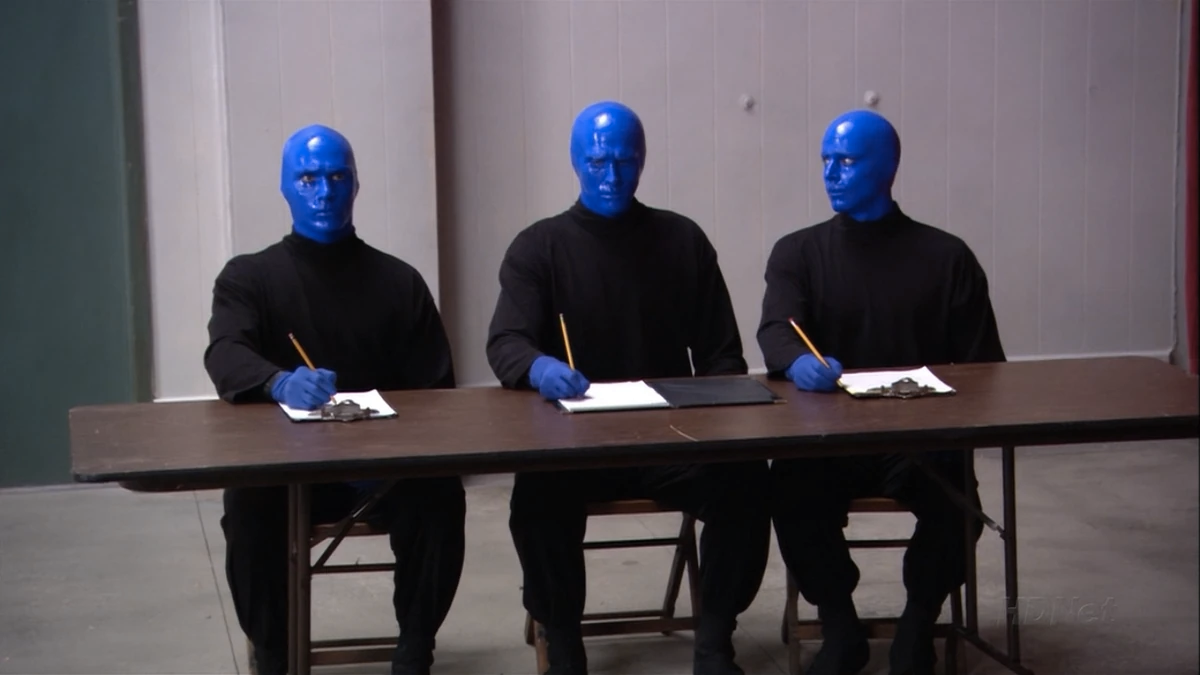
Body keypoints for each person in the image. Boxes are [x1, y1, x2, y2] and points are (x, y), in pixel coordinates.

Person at [485, 101, 771, 675]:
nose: (611, 175)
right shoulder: (538, 247)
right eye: (597, 162)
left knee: (746, 482)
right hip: (575, 443)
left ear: (643, 160)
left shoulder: (682, 239)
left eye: (624, 161)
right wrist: (539, 368)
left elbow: (722, 354)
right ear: (575, 162)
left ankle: (715, 638)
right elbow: (506, 340)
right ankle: (563, 640)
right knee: (536, 498)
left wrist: (716, 411)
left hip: (670, 438)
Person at [203, 124, 466, 675]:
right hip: (288, 471)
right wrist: (278, 382)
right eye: (307, 178)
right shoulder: (249, 278)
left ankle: (414, 650)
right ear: (284, 187)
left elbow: (437, 390)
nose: (323, 192)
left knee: (440, 494)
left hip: (382, 471)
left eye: (336, 177)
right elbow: (225, 353)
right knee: (247, 504)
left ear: (355, 185)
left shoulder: (399, 281)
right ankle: (275, 656)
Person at [757, 109, 1005, 675]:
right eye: (825, 160)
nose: (830, 173)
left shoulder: (946, 257)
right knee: (789, 492)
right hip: (827, 439)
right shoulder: (797, 252)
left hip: (919, 439)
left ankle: (917, 626)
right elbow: (776, 330)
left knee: (957, 505)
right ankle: (840, 627)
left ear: (888, 167)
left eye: (846, 160)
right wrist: (799, 362)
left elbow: (985, 368)